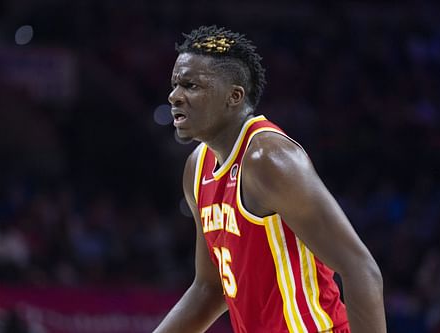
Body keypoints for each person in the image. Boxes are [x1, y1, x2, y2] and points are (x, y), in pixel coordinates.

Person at [153, 25, 386, 333]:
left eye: (191, 86)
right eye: (175, 85)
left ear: (233, 97)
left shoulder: (268, 159)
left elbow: (361, 271)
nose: (174, 96)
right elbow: (210, 289)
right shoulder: (196, 168)